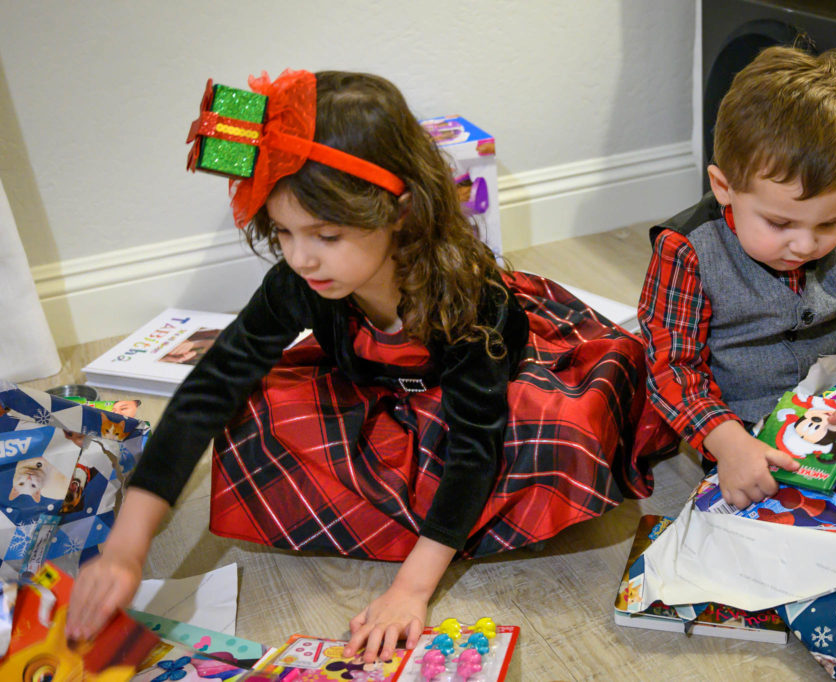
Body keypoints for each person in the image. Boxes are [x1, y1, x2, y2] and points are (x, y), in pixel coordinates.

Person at [64, 69, 675, 661]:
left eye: (326, 235)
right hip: (375, 386)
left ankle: (429, 542)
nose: (302, 257)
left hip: (481, 402)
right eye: (285, 233)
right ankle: (422, 524)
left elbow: (474, 449)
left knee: (559, 435)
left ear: (400, 212)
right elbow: (210, 387)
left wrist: (410, 591)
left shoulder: (467, 296)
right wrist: (127, 545)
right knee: (251, 415)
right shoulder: (302, 280)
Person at [640, 46, 836, 509]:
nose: (805, 245)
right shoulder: (688, 251)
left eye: (827, 223)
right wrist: (727, 442)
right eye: (780, 224)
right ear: (724, 188)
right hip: (742, 429)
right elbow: (672, 369)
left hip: (833, 406)